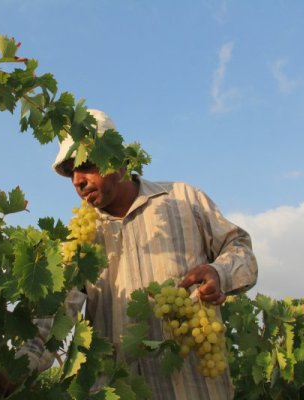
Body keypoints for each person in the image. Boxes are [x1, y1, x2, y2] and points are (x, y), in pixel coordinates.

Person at [49, 109, 259, 400]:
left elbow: (242, 252)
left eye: (83, 164)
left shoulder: (185, 199)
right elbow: (55, 314)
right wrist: (18, 367)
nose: (76, 180)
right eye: (70, 171)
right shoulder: (79, 239)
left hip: (196, 390)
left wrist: (219, 273)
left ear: (115, 158)